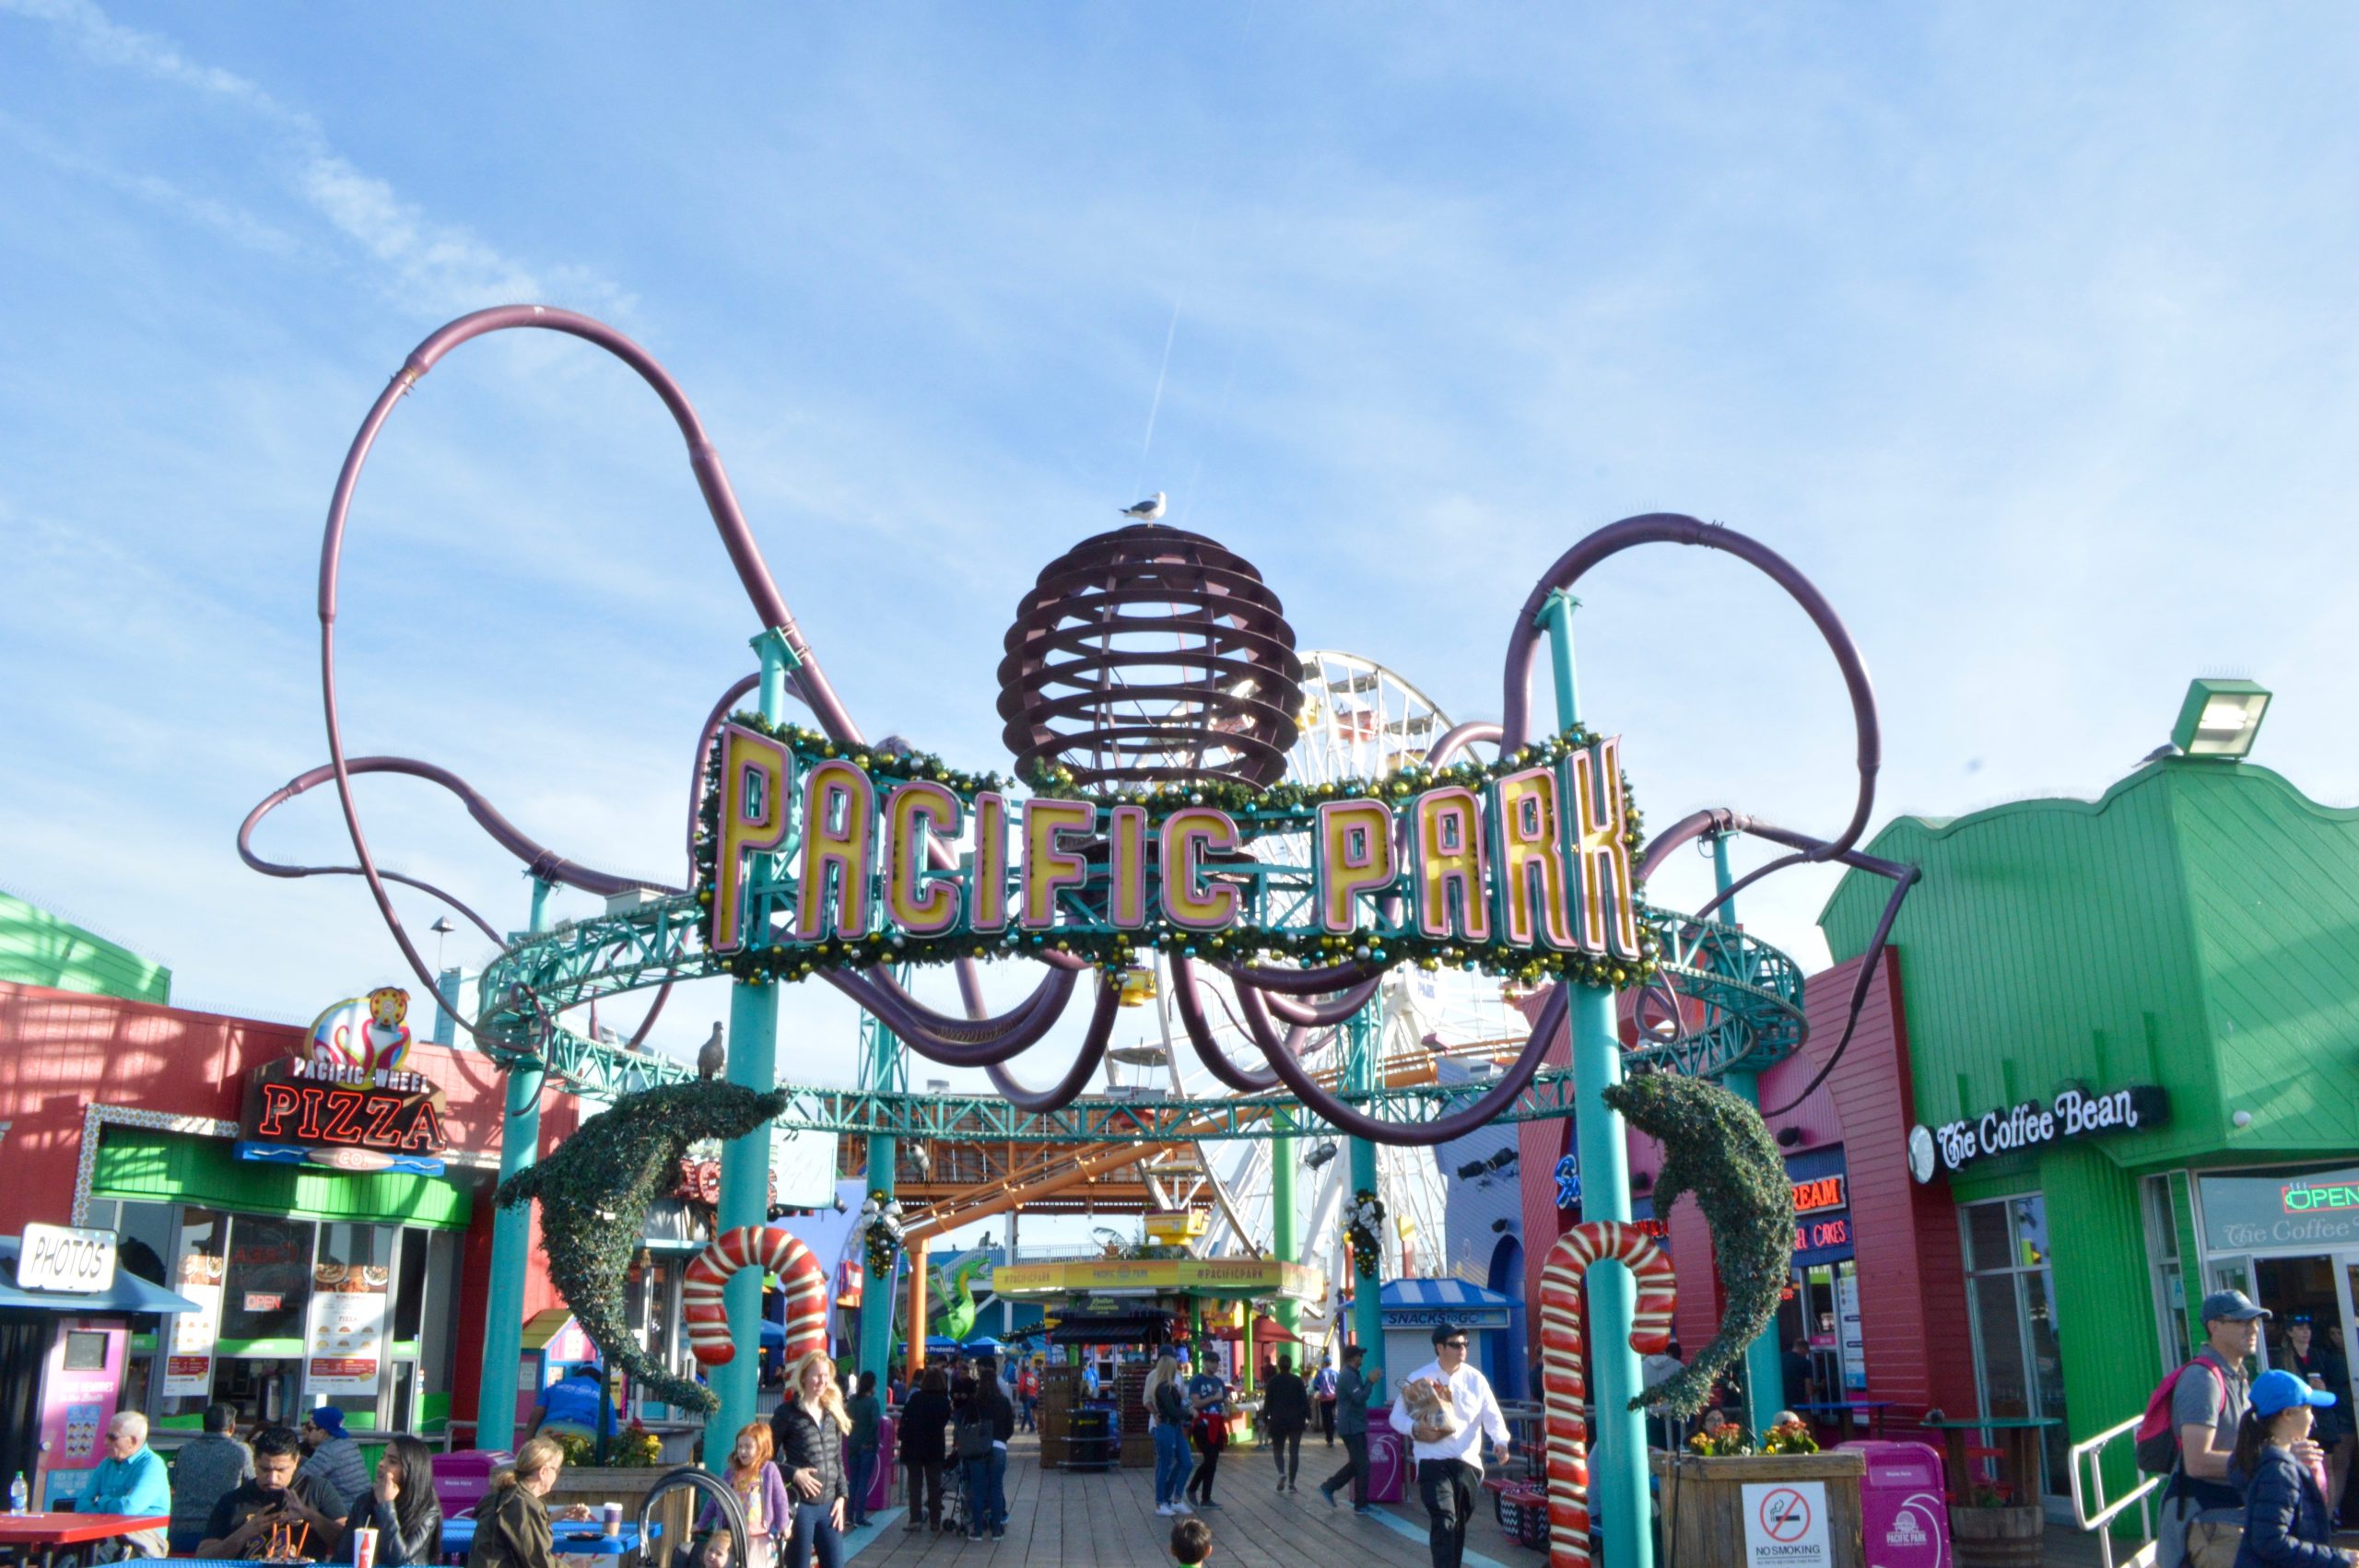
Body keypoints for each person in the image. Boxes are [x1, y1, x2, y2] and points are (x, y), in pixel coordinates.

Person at [1390, 1322, 1512, 1568]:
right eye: (1455, 1344)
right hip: (1432, 1461)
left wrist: (1500, 1441)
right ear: (1440, 1347)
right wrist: (1415, 1428)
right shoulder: (1419, 1378)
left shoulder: (1476, 1379)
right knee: (1444, 1517)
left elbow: (1492, 1415)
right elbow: (1396, 1417)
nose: (1462, 1349)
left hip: (1467, 1463)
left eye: (1465, 1344)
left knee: (1457, 1525)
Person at [2164, 1291, 2270, 1568]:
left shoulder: (2237, 1377)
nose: (2253, 1328)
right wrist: (2269, 1460)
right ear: (2214, 1326)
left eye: (2255, 1321)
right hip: (2212, 1523)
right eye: (2242, 1321)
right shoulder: (2203, 1379)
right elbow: (2197, 1462)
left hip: (2232, 1516)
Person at [2229, 1368, 2356, 1568]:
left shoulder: (2264, 1460)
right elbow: (2270, 1542)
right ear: (2287, 1413)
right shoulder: (2278, 1470)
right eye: (2308, 1408)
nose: (2312, 1417)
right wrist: (2337, 1558)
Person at [199, 1424, 346, 1562]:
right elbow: (203, 1557)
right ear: (255, 1461)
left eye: (281, 1470)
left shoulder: (318, 1489)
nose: (272, 1478)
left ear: (296, 1461)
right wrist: (244, 1533)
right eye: (265, 1469)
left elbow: (347, 1543)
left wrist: (311, 1516)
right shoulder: (232, 1500)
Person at [775, 1352, 851, 1568]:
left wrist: (842, 1497)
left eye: (826, 1376)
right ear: (803, 1377)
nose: (822, 1381)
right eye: (816, 1375)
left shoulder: (832, 1412)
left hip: (830, 1506)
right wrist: (794, 1473)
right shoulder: (787, 1413)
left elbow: (837, 1459)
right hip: (801, 1506)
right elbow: (765, 1459)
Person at [2282, 1316, 2355, 1516]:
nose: (2306, 1332)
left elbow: (2341, 1385)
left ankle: (2329, 1514)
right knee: (2306, 1468)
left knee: (2328, 1467)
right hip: (2297, 1418)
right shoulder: (2283, 1358)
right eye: (2300, 1328)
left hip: (2323, 1417)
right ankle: (2308, 1514)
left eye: (2308, 1328)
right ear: (2290, 1332)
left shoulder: (2322, 1356)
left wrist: (2325, 1388)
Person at [334, 1436, 442, 1566]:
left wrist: (386, 1505)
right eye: (382, 1457)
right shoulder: (364, 1502)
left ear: (411, 1470)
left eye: (392, 1461)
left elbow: (399, 1560)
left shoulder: (427, 1510)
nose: (381, 1464)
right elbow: (342, 1556)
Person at [699, 1422, 789, 1568]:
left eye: (748, 1447)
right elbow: (716, 1499)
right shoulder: (731, 1473)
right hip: (732, 1533)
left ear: (761, 1448)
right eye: (740, 1446)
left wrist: (783, 1525)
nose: (742, 1451)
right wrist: (701, 1523)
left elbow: (780, 1500)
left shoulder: (769, 1470)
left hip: (758, 1535)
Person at [467, 1437, 566, 1568]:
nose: (557, 1475)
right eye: (556, 1470)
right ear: (543, 1472)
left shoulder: (501, 1496)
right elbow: (538, 1563)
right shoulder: (525, 1504)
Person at [83, 1412, 171, 1559]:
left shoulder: (152, 1465)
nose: (105, 1442)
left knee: (99, 1552)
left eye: (112, 1437)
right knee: (69, 1551)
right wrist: (110, 1507)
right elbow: (82, 1504)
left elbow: (128, 1508)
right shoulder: (106, 1464)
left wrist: (101, 1502)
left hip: (143, 1537)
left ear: (132, 1441)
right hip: (103, 1530)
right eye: (106, 1436)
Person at [170, 1404, 252, 1556]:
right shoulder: (241, 1450)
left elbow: (175, 1482)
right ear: (232, 1426)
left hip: (180, 1532)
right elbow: (253, 1486)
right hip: (221, 1534)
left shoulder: (186, 1450)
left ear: (204, 1425)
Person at [955, 1355, 1015, 1541]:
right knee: (996, 1488)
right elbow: (1010, 1427)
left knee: (978, 1489)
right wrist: (1001, 1439)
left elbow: (966, 1424)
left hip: (978, 1449)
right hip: (998, 1447)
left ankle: (978, 1531)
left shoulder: (974, 1401)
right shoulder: (1003, 1402)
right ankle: (996, 1531)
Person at [1317, 1345, 1380, 1514]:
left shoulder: (1351, 1374)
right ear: (1353, 1358)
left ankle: (1329, 1487)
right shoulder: (1348, 1376)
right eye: (1360, 1356)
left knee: (1357, 1463)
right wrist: (1370, 1382)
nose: (1362, 1359)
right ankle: (1361, 1504)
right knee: (1363, 1465)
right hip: (1352, 1427)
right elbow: (1359, 1398)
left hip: (1353, 1425)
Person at [898, 1367, 953, 1533]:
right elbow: (944, 1422)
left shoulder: (915, 1398)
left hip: (913, 1445)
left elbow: (905, 1418)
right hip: (934, 1447)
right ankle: (935, 1521)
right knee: (934, 1485)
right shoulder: (943, 1402)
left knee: (915, 1484)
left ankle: (915, 1519)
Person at [1145, 1350, 1195, 1518]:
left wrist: (1188, 1409)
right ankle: (1162, 1501)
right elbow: (1148, 1400)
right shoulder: (1158, 1382)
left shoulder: (1176, 1380)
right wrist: (1155, 1414)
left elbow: (1182, 1400)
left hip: (1175, 1425)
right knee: (1165, 1463)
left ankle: (1173, 1498)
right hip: (1164, 1424)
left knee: (1185, 1462)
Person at [299, 1406, 372, 1518]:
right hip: (364, 1506)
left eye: (310, 1427)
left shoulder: (328, 1451)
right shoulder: (348, 1443)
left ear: (322, 1432)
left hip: (347, 1512)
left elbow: (300, 1479)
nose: (305, 1430)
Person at [1184, 1357, 1230, 1511]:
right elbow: (1196, 1402)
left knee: (1213, 1461)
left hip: (1217, 1423)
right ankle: (1192, 1488)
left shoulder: (1219, 1381)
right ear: (1204, 1363)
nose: (1215, 1365)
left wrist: (1226, 1410)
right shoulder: (1197, 1380)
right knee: (1210, 1458)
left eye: (1217, 1362)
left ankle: (1206, 1498)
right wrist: (1212, 1398)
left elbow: (1226, 1400)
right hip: (1202, 1424)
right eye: (1212, 1362)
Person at [528, 1363, 616, 1443]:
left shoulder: (555, 1387)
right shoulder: (605, 1396)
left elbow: (535, 1416)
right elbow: (611, 1435)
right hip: (585, 1437)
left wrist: (528, 1446)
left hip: (549, 1432)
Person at [1262, 1354, 1310, 1492]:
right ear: (1290, 1366)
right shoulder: (1297, 1381)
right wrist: (1309, 1417)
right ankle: (1291, 1484)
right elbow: (1304, 1401)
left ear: (1278, 1365)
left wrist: (1266, 1419)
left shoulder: (1272, 1382)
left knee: (1278, 1449)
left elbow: (1268, 1402)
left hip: (1278, 1420)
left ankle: (1281, 1472)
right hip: (1296, 1421)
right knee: (1294, 1451)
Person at [846, 1373, 883, 1531]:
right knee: (863, 1481)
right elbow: (875, 1423)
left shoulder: (852, 1400)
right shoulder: (873, 1402)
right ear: (872, 1385)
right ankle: (859, 1517)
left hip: (852, 1444)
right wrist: (868, 1441)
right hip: (867, 1446)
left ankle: (849, 1515)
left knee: (853, 1481)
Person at [1311, 1357, 1339, 1446]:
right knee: (1332, 1415)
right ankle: (1333, 1431)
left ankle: (1329, 1438)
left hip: (1323, 1398)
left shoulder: (1320, 1373)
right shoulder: (1336, 1373)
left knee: (1326, 1418)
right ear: (1331, 1363)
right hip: (1334, 1397)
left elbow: (1315, 1385)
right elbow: (1338, 1385)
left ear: (1324, 1363)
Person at [1782, 1338, 1816, 1410]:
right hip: (1798, 1405)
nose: (1807, 1354)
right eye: (1807, 1351)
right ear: (1803, 1349)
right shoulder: (1805, 1363)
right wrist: (1820, 1386)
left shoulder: (1780, 1359)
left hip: (1781, 1405)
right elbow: (1809, 1391)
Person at [1016, 1360, 1041, 1433]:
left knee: (1027, 1412)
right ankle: (1022, 1427)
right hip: (1034, 1397)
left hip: (1026, 1397)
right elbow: (1037, 1386)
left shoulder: (1023, 1377)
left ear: (1023, 1371)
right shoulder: (1032, 1377)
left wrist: (1020, 1392)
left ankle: (1032, 1427)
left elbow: (1021, 1388)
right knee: (1026, 1412)